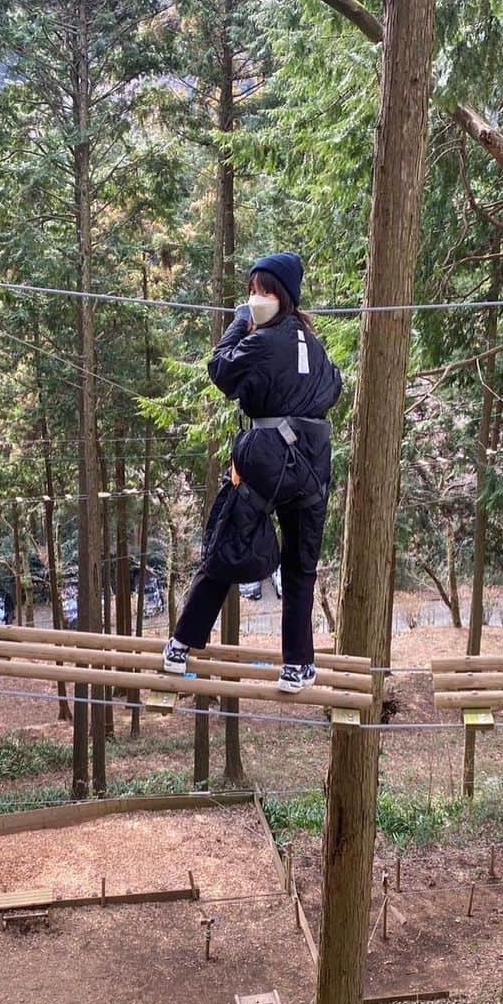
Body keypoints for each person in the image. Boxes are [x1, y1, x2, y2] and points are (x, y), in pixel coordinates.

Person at [163, 252, 342, 692]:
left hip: (265, 460)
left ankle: (182, 644)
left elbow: (220, 371)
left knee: (227, 545)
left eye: (264, 291)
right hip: (312, 464)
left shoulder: (262, 340)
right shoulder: (314, 345)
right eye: (252, 291)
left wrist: (239, 320)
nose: (256, 298)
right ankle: (297, 666)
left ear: (283, 297)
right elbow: (333, 387)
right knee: (301, 568)